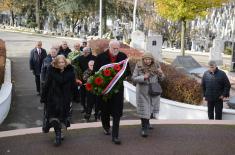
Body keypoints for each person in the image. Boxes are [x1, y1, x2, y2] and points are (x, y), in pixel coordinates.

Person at [94, 40, 131, 145]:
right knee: (105, 111)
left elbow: (127, 71)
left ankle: (115, 136)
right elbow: (95, 72)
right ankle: (106, 126)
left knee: (116, 113)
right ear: (109, 47)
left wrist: (119, 77)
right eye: (114, 48)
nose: (116, 50)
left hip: (117, 89)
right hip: (105, 89)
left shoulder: (123, 56)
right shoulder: (101, 57)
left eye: (117, 48)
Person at [40, 55, 76, 146]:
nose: (61, 64)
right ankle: (58, 137)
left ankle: (60, 132)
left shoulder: (70, 72)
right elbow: (46, 84)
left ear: (65, 62)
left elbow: (73, 85)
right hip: (53, 99)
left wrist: (76, 96)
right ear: (56, 63)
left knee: (63, 118)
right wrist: (43, 97)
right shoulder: (51, 71)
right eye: (59, 62)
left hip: (65, 99)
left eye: (62, 62)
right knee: (54, 118)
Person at [132, 52, 164, 137]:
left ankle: (148, 123)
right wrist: (143, 77)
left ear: (152, 60)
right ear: (143, 59)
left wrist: (160, 73)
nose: (147, 61)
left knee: (150, 110)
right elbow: (134, 78)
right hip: (142, 92)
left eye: (149, 59)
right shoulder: (138, 66)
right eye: (146, 59)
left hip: (153, 91)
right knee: (144, 110)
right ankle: (144, 128)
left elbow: (162, 78)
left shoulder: (156, 65)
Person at [72, 47, 96, 113]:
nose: (84, 53)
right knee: (82, 95)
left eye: (86, 52)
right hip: (82, 79)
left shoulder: (94, 58)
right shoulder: (80, 58)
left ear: (89, 52)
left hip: (92, 79)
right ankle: (84, 107)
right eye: (83, 52)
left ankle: (90, 107)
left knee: (90, 95)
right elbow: (74, 65)